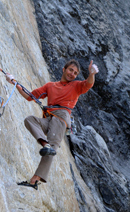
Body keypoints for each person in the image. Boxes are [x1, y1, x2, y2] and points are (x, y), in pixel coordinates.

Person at [6, 59, 99, 190]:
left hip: (61, 117)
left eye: (75, 73)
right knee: (30, 120)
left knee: (52, 149)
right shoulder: (50, 86)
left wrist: (92, 74)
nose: (72, 74)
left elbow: (88, 84)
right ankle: (45, 144)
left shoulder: (77, 86)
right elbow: (30, 96)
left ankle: (34, 181)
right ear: (64, 69)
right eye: (70, 70)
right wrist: (14, 82)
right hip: (49, 118)